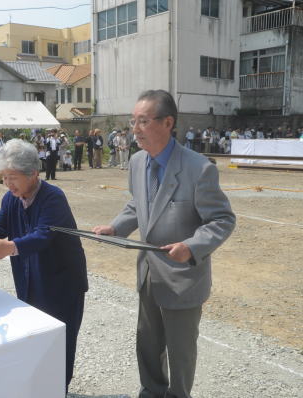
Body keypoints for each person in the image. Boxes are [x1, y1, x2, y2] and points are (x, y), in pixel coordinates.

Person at [92, 90, 235, 398]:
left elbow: (223, 220)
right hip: (148, 274)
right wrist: (116, 226)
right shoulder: (137, 162)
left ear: (168, 122)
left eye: (143, 121)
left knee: (181, 351)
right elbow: (138, 205)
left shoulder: (199, 168)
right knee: (148, 342)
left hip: (183, 278)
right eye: (133, 121)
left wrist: (192, 246)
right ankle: (151, 391)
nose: (135, 129)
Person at [0, 139, 88, 391]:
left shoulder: (53, 197)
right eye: (3, 177)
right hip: (29, 279)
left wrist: (11, 248)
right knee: (35, 338)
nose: (7, 184)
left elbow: (42, 236)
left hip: (61, 283)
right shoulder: (11, 198)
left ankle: (58, 391)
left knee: (60, 343)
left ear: (33, 173)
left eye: (12, 177)